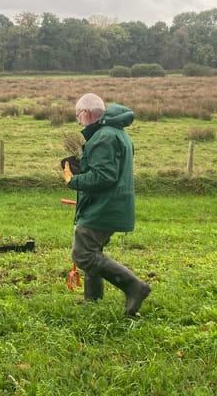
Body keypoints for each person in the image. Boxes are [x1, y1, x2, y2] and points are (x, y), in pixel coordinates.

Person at [61, 93, 151, 317]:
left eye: (77, 116)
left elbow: (103, 177)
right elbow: (107, 170)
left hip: (103, 206)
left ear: (86, 113)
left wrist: (73, 180)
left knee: (83, 254)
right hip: (111, 203)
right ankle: (93, 300)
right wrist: (83, 167)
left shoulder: (103, 137)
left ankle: (134, 287)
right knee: (94, 250)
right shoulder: (115, 133)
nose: (78, 121)